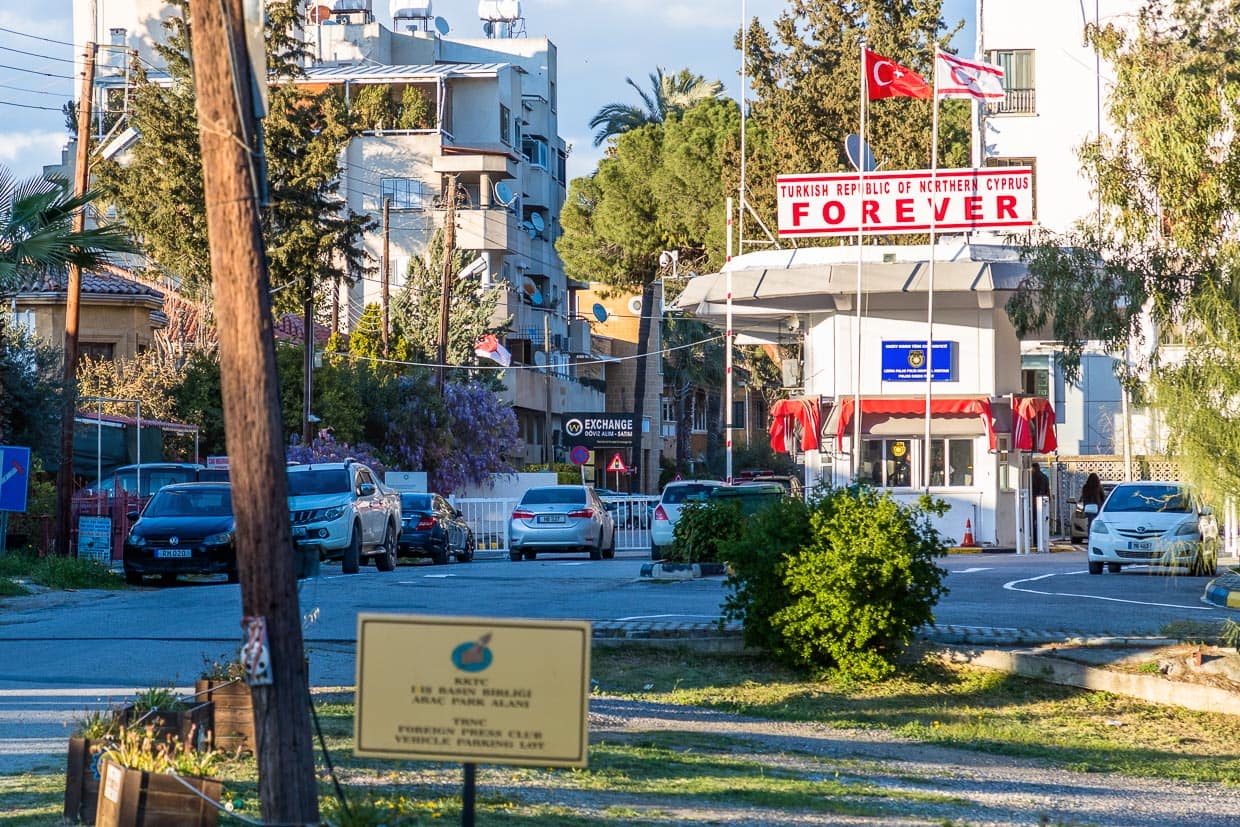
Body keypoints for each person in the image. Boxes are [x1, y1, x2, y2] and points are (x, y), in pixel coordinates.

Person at [1030, 462, 1050, 548]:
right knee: (1043, 521)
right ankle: (1043, 539)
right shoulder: (1045, 477)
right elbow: (1046, 490)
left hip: (1033, 501)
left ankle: (1035, 539)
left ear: (1033, 468)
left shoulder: (1032, 477)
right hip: (1044, 503)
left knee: (1033, 521)